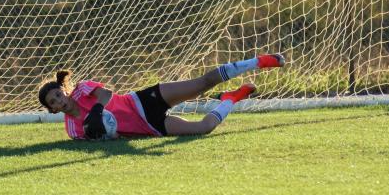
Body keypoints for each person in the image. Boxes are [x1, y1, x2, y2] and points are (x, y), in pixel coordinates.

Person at [37, 54, 285, 139]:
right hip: (150, 127)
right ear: (53, 110)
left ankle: (259, 62)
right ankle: (231, 98)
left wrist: (98, 110)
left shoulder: (81, 88)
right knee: (204, 128)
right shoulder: (72, 130)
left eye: (58, 94)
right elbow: (98, 140)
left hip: (143, 101)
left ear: (64, 90)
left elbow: (107, 93)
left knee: (202, 83)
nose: (60, 100)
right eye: (54, 102)